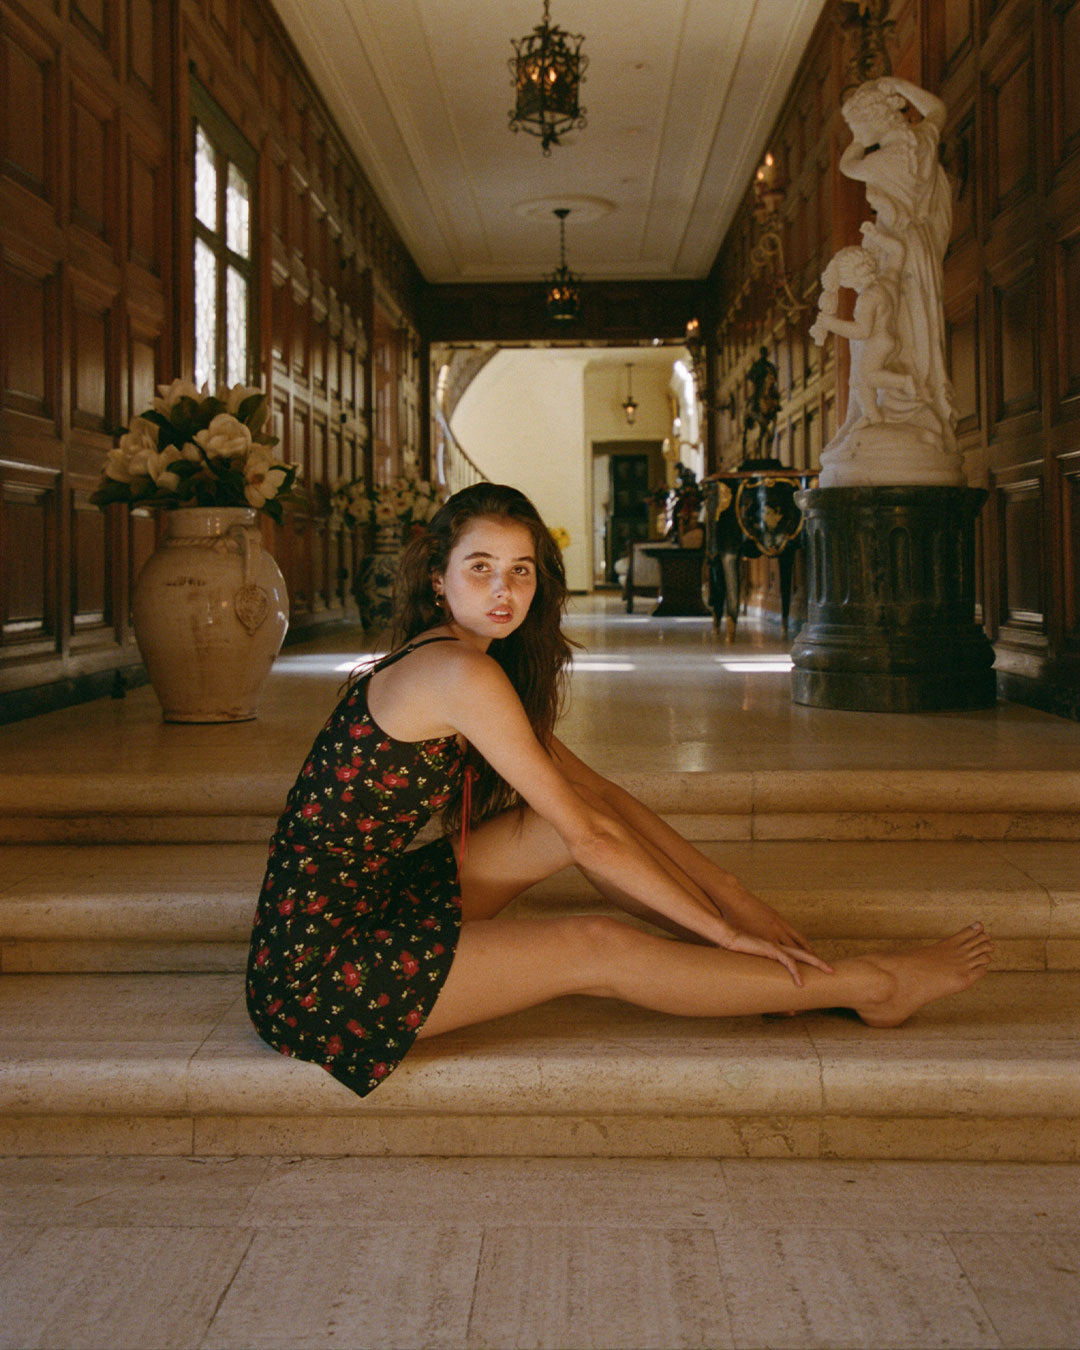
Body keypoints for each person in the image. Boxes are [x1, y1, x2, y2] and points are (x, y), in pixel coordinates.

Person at [246, 482, 993, 1098]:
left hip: (370, 902)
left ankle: (746, 975)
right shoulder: (459, 674)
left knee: (557, 821)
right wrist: (727, 932)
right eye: (480, 567)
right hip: (316, 975)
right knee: (593, 946)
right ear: (437, 577)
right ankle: (868, 985)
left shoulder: (459, 657)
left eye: (522, 570)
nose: (504, 590)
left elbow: (599, 798)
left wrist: (729, 895)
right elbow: (592, 840)